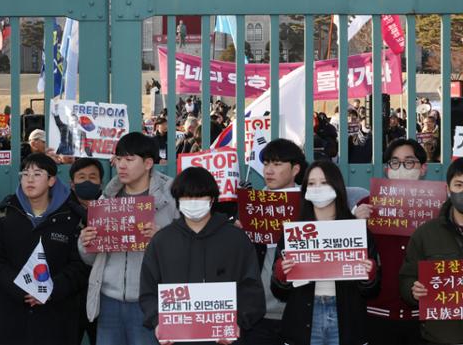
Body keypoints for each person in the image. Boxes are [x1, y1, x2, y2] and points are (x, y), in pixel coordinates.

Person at [140, 166, 266, 344]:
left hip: (224, 338)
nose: (193, 202)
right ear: (178, 200)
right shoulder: (162, 241)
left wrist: (238, 322)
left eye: (200, 196)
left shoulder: (236, 240)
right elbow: (148, 291)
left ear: (212, 199)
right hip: (176, 337)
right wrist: (158, 322)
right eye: (187, 196)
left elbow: (251, 289)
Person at [78, 132, 179, 345]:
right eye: (119, 159)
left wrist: (162, 238)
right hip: (108, 300)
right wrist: (85, 242)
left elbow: (188, 247)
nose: (121, 165)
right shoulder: (108, 197)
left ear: (148, 163)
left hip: (152, 301)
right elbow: (91, 260)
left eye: (130, 160)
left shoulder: (172, 196)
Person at [0, 153, 89, 345]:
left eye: (37, 174)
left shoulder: (71, 217)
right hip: (13, 311)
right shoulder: (5, 213)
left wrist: (50, 290)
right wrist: (20, 288)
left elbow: (79, 266)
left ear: (51, 181)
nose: (29, 179)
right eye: (25, 173)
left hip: (56, 314)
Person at [271, 160, 380, 345]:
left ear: (336, 186)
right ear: (305, 190)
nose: (318, 188)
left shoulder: (357, 230)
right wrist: (281, 276)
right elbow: (279, 292)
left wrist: (369, 276)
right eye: (312, 184)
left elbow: (372, 290)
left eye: (324, 182)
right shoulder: (294, 233)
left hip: (346, 318)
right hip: (303, 318)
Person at [352, 138, 426, 345]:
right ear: (386, 169)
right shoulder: (367, 206)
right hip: (376, 315)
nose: (401, 168)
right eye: (394, 162)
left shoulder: (438, 208)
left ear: (423, 168)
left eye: (409, 162)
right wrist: (354, 222)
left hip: (423, 317)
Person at [247, 138, 307, 345]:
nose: (269, 170)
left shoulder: (309, 204)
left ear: (295, 169)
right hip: (259, 311)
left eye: (277, 164)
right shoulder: (252, 204)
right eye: (266, 164)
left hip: (300, 309)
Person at [399, 158, 463, 344]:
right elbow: (406, 278)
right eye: (459, 185)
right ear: (448, 189)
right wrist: (413, 290)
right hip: (440, 337)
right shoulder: (425, 233)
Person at [69, 157, 104, 345]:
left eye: (93, 177)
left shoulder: (113, 210)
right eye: (81, 177)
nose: (87, 181)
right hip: (69, 296)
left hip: (102, 296)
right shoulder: (60, 210)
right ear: (72, 184)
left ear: (101, 183)